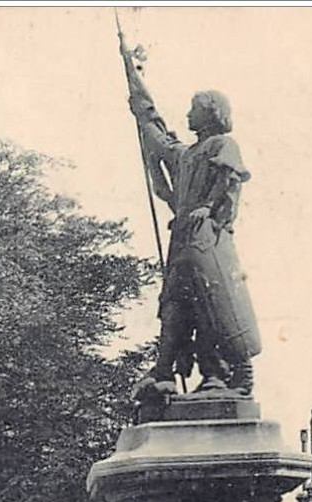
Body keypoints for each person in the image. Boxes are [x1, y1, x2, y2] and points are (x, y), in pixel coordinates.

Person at [121, 47, 261, 402]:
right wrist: (137, 91)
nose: (187, 114)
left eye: (193, 109)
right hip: (183, 241)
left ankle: (224, 372)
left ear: (211, 113)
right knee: (174, 303)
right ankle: (166, 369)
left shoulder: (222, 144)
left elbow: (230, 178)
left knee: (213, 303)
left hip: (206, 240)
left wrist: (210, 208)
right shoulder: (186, 155)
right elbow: (157, 134)